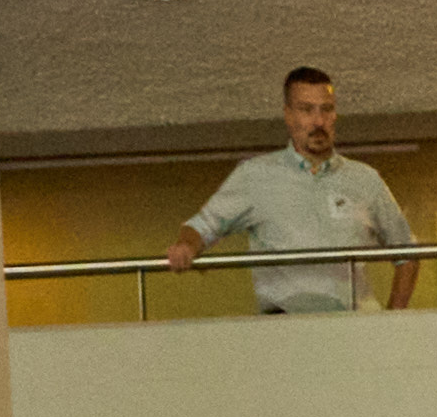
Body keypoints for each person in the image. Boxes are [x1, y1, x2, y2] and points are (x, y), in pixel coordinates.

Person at [164, 66, 415, 311]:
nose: (318, 121)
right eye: (306, 110)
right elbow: (201, 227)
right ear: (288, 115)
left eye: (326, 110)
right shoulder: (255, 175)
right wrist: (186, 246)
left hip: (354, 327)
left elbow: (408, 253)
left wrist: (394, 322)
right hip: (283, 330)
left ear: (335, 114)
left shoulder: (365, 179)